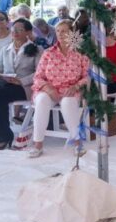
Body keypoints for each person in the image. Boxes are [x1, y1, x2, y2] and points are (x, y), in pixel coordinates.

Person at [0, 18, 42, 150]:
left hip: (24, 87)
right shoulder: (5, 49)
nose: (15, 32)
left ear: (28, 32)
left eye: (19, 29)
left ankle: (4, 137)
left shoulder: (37, 49)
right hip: (5, 83)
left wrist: (21, 81)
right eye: (13, 29)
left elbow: (39, 73)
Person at [28, 20, 90, 158]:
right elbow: (38, 77)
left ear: (72, 33)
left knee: (68, 103)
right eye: (58, 31)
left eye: (64, 31)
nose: (60, 34)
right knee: (42, 100)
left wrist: (76, 86)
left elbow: (88, 76)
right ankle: (38, 144)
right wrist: (48, 89)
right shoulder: (49, 53)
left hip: (70, 89)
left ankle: (77, 142)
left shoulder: (81, 53)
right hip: (49, 89)